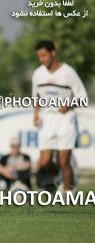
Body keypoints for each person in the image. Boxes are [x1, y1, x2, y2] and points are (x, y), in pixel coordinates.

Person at [32, 40, 87, 192]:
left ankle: (69, 192)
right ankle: (60, 177)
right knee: (44, 162)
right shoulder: (37, 74)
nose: (41, 59)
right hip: (46, 119)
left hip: (65, 118)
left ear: (53, 53)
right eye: (38, 57)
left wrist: (69, 105)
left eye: (43, 55)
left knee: (64, 160)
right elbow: (36, 97)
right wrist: (36, 114)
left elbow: (82, 97)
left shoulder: (68, 72)